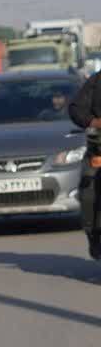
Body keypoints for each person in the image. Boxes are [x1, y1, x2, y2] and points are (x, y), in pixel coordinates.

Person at [68, 69, 101, 259]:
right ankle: (94, 235)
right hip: (99, 152)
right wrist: (93, 122)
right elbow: (76, 108)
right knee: (89, 190)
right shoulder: (96, 82)